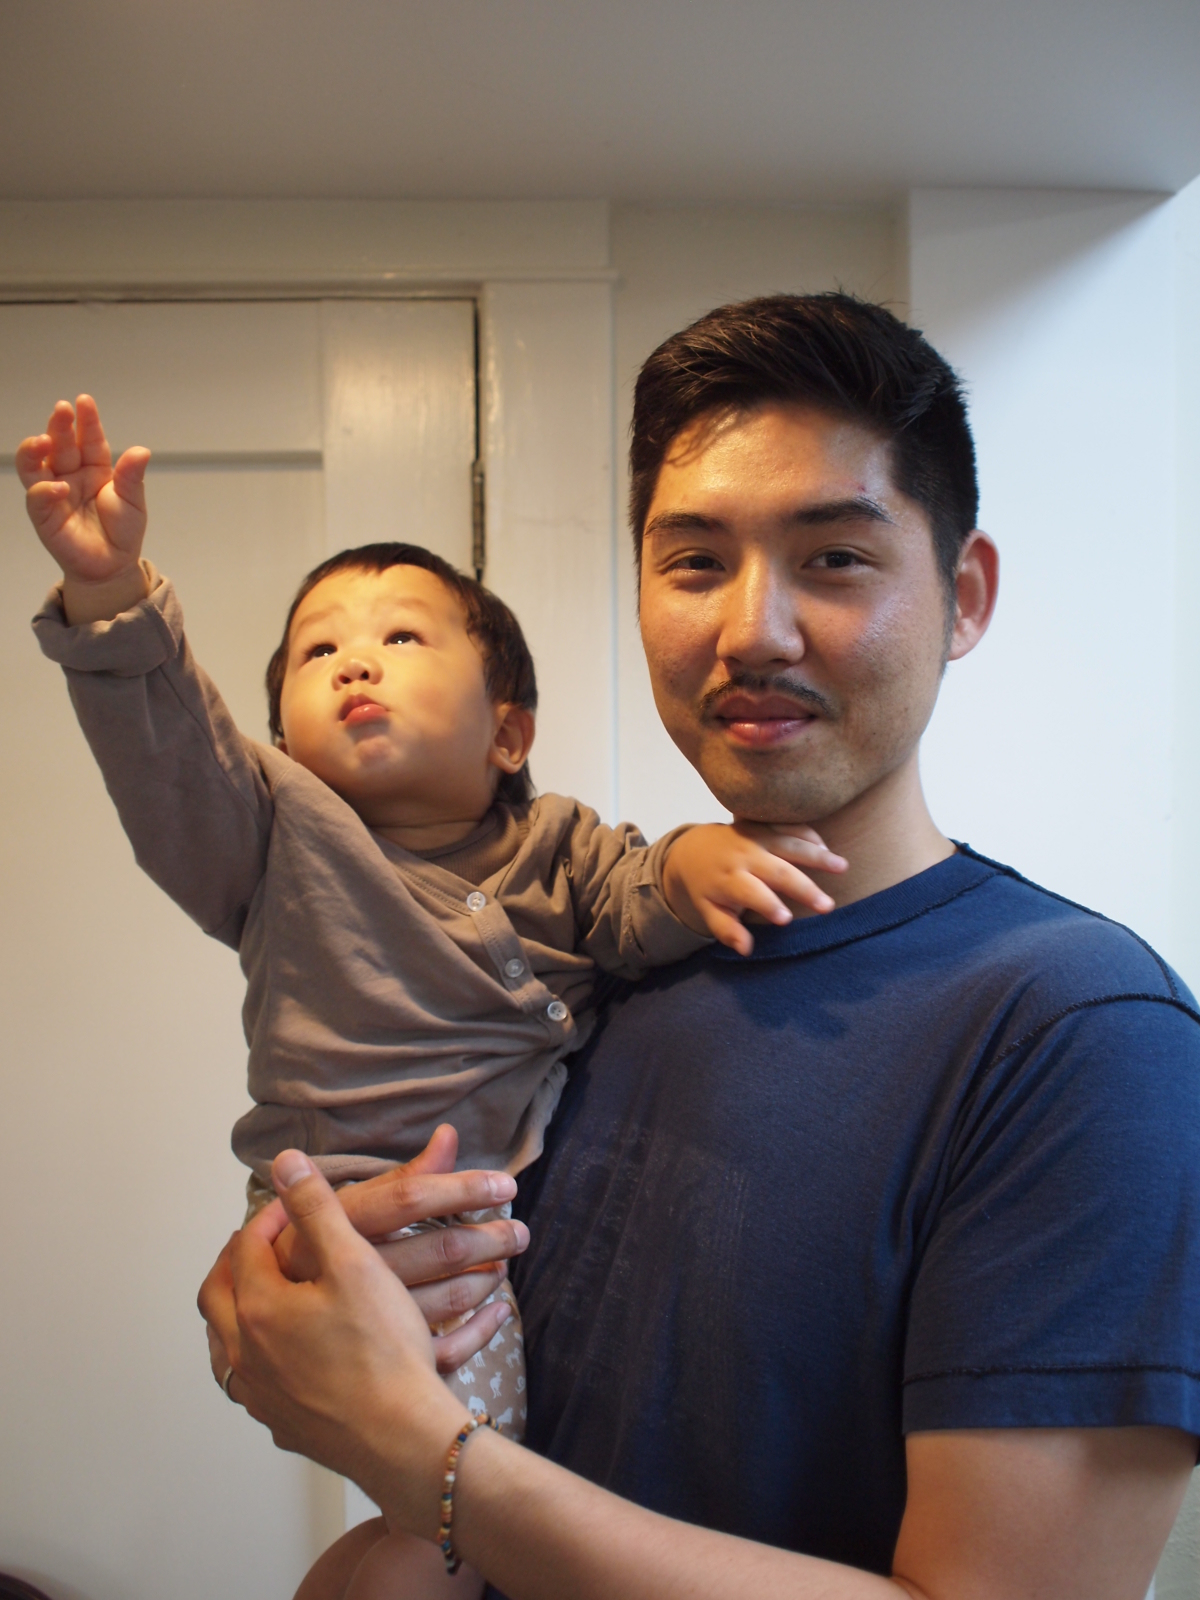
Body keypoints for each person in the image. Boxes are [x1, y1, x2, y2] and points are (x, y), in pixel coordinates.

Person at [200, 291, 1200, 1599]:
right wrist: (305, 1314)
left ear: (962, 598)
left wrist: (420, 1457)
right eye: (694, 564)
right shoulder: (598, 966)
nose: (751, 631)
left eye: (833, 558)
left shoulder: (1081, 1034)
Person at [17, 395, 846, 1600]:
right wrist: (109, 593)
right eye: (317, 654)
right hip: (348, 1222)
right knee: (463, 1486)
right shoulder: (274, 839)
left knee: (449, 1506)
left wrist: (693, 862)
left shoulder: (557, 843)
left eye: (402, 637)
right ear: (281, 746)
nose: (354, 661)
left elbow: (633, 898)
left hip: (487, 1221)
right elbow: (170, 756)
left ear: (508, 732)